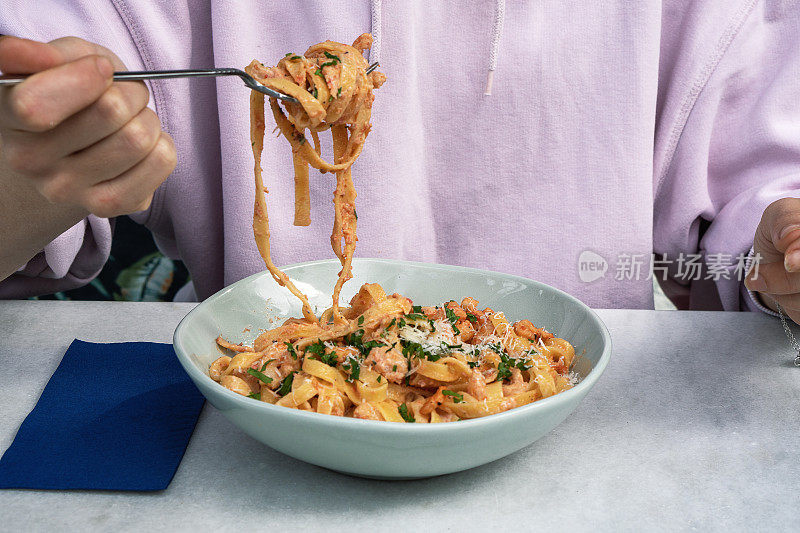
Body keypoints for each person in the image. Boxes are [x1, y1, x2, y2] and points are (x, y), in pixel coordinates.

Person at [1, 2, 799, 321]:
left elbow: (747, 229)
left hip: (595, 437)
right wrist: (29, 171)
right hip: (256, 444)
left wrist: (781, 249)